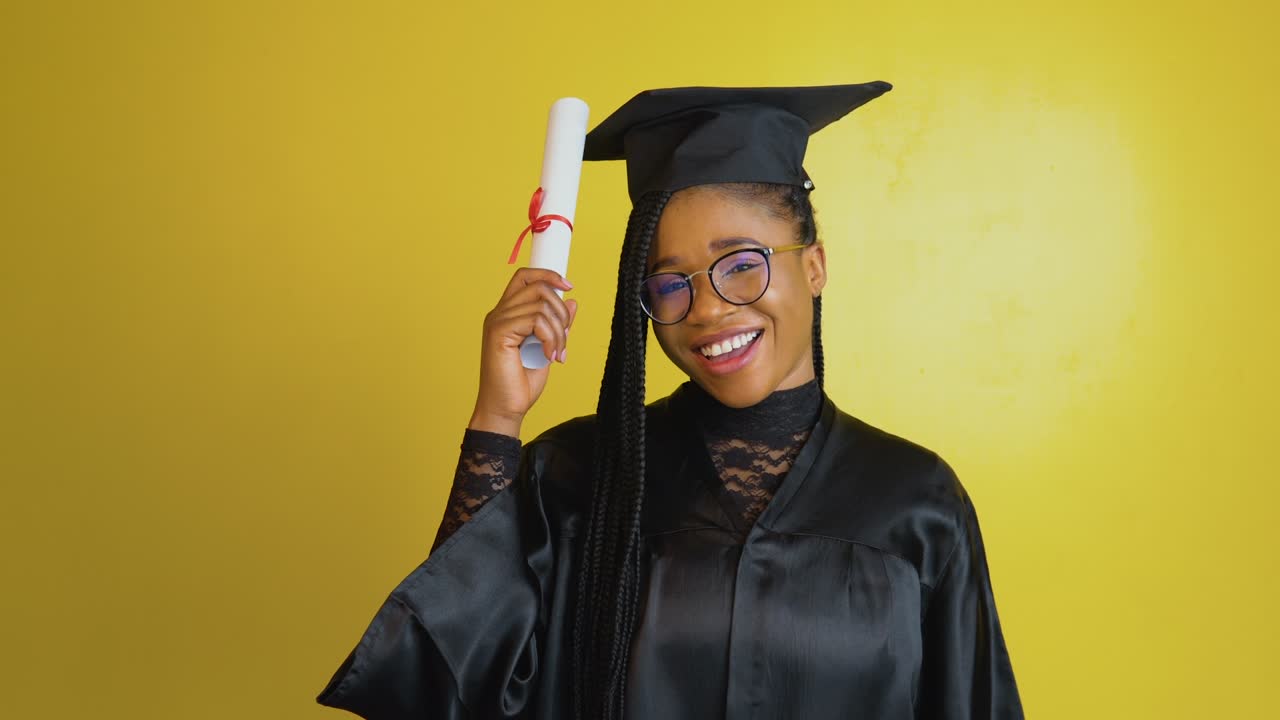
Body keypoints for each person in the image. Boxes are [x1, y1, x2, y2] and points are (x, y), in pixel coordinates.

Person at [315, 82, 1024, 719]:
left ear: (813, 266)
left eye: (742, 264)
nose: (708, 309)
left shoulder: (917, 501)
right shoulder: (578, 475)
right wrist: (498, 419)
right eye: (669, 282)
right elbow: (445, 688)